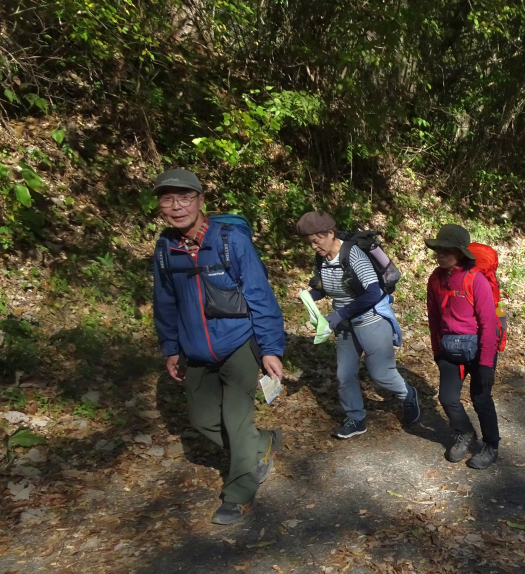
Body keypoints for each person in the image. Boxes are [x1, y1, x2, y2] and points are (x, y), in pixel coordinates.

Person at [151, 168, 286, 524]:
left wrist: (270, 348)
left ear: (200, 200)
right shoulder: (166, 249)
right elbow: (164, 302)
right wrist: (171, 349)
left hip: (238, 342)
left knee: (236, 419)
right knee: (202, 420)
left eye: (185, 197)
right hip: (194, 349)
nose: (176, 206)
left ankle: (239, 494)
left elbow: (260, 296)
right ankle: (262, 444)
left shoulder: (230, 241)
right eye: (168, 199)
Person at [295, 211, 420, 437]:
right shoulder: (322, 258)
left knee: (381, 374)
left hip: (370, 320)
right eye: (309, 243)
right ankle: (356, 418)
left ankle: (407, 394)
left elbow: (373, 293)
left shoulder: (353, 255)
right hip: (344, 324)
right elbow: (323, 288)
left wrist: (340, 313)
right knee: (345, 375)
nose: (313, 246)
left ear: (330, 233)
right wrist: (308, 295)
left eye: (317, 240)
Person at [425, 224, 500, 469]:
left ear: (460, 253)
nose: (440, 254)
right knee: (447, 398)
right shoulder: (435, 279)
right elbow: (434, 318)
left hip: (479, 348)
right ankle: (465, 432)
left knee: (480, 399)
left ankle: (491, 445)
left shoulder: (475, 280)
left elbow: (489, 323)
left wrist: (487, 364)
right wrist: (437, 351)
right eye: (438, 249)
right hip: (449, 346)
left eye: (447, 250)